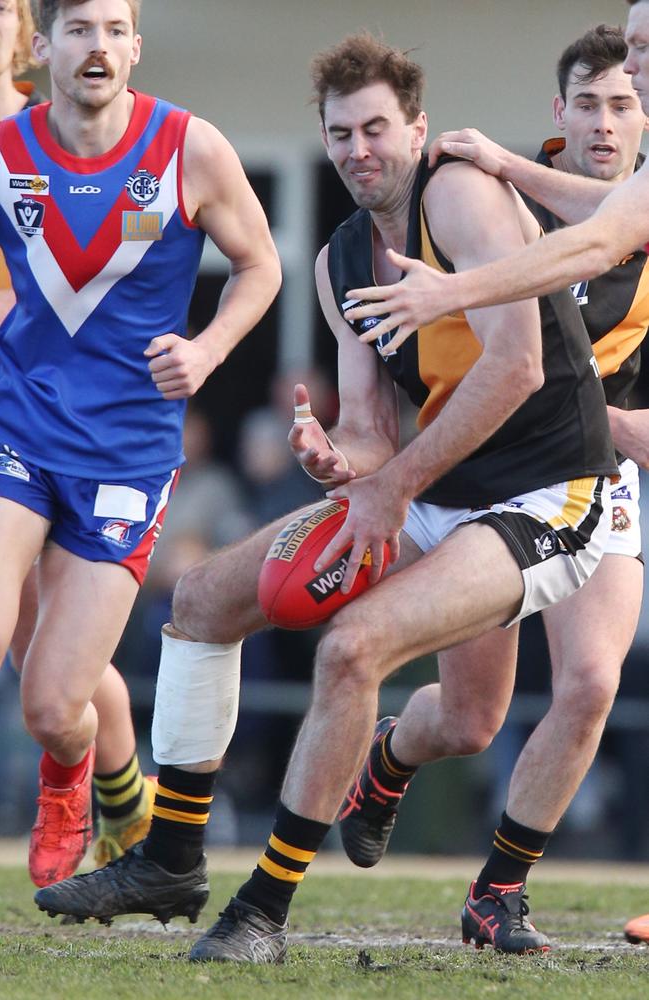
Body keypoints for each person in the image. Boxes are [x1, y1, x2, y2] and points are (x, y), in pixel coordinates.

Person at [36, 33, 618, 963]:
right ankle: (174, 856)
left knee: (353, 650)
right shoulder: (339, 260)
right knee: (199, 602)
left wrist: (389, 484)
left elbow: (514, 368)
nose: (359, 149)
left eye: (378, 128)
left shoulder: (458, 194)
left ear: (418, 129)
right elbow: (371, 429)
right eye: (340, 132)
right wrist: (334, 456)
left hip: (547, 492)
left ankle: (263, 909)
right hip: (432, 490)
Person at [337, 21, 649, 950]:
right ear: (559, 113)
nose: (606, 116)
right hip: (495, 475)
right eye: (588, 102)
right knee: (470, 719)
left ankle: (499, 889)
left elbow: (609, 231)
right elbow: (589, 238)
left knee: (592, 680)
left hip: (600, 479)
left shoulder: (610, 207)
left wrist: (622, 424)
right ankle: (390, 758)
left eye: (622, 102)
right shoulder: (499, 196)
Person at [0, 0, 279, 893]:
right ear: (42, 46)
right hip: (17, 428)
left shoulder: (188, 146)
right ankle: (89, 793)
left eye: (116, 30)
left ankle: (87, 777)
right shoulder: (8, 149)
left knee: (52, 703)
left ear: (136, 48)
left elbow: (262, 265)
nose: (99, 47)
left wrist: (206, 349)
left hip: (126, 455)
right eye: (79, 29)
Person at [0, 0, 159, 885]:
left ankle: (119, 788)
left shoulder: (44, 129)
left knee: (52, 668)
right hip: (14, 416)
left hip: (92, 426)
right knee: (28, 647)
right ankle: (109, 788)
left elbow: (113, 265)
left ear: (25, 31)